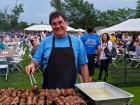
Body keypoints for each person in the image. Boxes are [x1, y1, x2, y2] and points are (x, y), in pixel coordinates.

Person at [25, 11, 89, 89]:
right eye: (54, 24)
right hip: (48, 91)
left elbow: (83, 65)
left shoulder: (77, 42)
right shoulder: (45, 41)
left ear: (66, 23)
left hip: (72, 92)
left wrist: (87, 87)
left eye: (60, 22)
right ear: (51, 26)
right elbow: (36, 60)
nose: (57, 26)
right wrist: (32, 65)